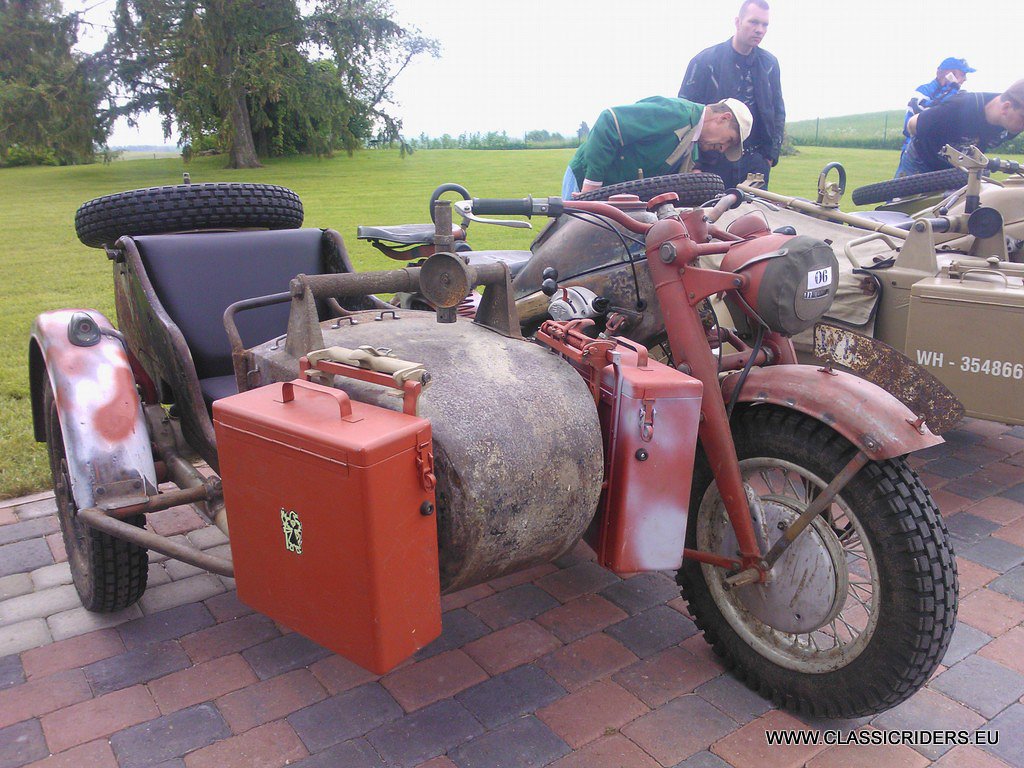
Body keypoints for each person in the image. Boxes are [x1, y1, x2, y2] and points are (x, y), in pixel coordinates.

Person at [678, 0, 785, 188]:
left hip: (755, 162)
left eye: (765, 24)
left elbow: (778, 112)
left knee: (756, 208)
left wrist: (769, 156)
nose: (759, 30)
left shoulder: (769, 64)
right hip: (712, 162)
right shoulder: (705, 61)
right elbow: (686, 113)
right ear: (738, 22)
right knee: (711, 207)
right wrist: (695, 164)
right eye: (753, 22)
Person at [562, 96, 752, 199]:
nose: (723, 149)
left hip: (612, 195)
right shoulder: (676, 113)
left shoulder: (691, 143)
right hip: (584, 181)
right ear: (723, 118)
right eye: (729, 140)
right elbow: (610, 121)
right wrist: (591, 187)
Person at [896, 80, 1024, 177]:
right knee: (904, 203)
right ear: (1006, 107)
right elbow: (912, 124)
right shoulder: (960, 106)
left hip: (958, 169)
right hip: (920, 162)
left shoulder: (1012, 125)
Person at [904, 57, 975, 131]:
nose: (965, 79)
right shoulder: (923, 91)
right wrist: (952, 89)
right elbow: (922, 114)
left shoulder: (955, 93)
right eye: (963, 74)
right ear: (949, 74)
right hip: (919, 137)